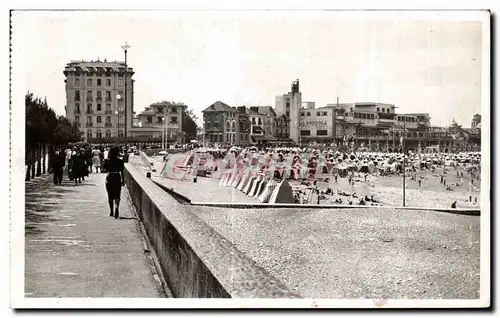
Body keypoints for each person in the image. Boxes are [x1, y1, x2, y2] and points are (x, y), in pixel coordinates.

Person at [103, 147, 125, 219]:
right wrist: (123, 180)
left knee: (110, 195)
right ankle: (117, 207)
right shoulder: (120, 161)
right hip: (117, 177)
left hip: (109, 177)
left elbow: (104, 169)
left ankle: (111, 211)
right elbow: (122, 171)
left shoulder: (107, 160)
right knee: (117, 194)